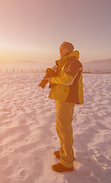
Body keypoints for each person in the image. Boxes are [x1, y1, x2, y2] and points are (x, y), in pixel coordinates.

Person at [40, 42, 84, 172]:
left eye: (63, 48)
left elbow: (67, 80)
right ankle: (66, 153)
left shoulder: (73, 62)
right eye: (59, 48)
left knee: (64, 128)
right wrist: (52, 73)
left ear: (69, 50)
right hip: (61, 97)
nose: (60, 50)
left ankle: (67, 163)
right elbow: (61, 76)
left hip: (66, 98)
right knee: (61, 127)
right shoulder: (64, 62)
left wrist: (51, 80)